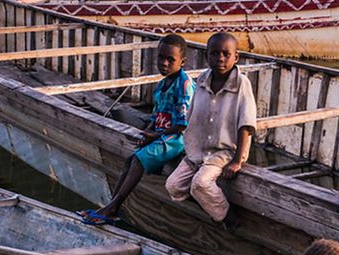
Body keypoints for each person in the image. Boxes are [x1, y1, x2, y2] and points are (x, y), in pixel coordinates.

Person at [78, 34, 194, 225]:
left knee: (139, 160)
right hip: (164, 133)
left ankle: (113, 207)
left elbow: (183, 123)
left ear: (182, 62)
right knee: (130, 160)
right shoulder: (163, 84)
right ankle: (111, 206)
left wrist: (155, 135)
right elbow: (157, 116)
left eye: (170, 60)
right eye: (161, 58)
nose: (164, 63)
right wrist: (148, 132)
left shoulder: (184, 85)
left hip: (179, 137)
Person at [165, 32, 256, 232]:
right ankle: (210, 205)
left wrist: (237, 161)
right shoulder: (203, 79)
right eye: (214, 54)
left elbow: (246, 124)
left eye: (226, 54)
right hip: (198, 150)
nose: (220, 59)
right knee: (173, 186)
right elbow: (193, 115)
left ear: (236, 57)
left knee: (200, 183)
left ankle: (228, 217)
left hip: (223, 152)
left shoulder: (242, 84)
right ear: (207, 56)